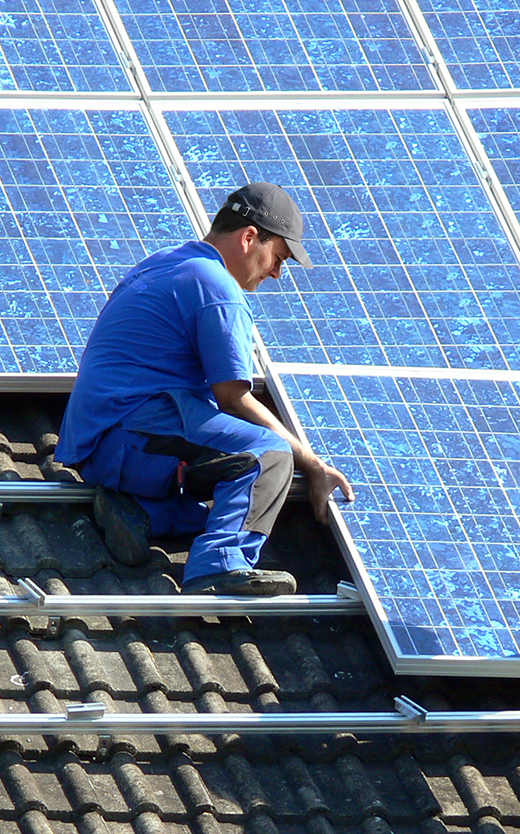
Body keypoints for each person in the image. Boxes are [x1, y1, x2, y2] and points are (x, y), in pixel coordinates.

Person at [56, 182, 352, 596]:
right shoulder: (216, 287)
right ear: (250, 237)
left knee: (215, 499)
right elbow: (234, 398)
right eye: (278, 257)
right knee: (267, 457)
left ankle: (142, 514)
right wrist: (312, 463)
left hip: (101, 445)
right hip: (134, 434)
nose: (276, 273)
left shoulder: (164, 262)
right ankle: (220, 565)